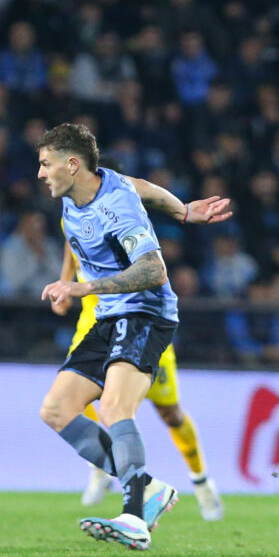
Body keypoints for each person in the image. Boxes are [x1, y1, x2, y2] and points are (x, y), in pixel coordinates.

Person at [37, 123, 230, 550]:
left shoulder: (114, 208)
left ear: (73, 165)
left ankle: (135, 515)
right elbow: (142, 186)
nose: (40, 173)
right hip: (110, 315)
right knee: (56, 410)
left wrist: (80, 287)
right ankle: (146, 489)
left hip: (146, 312)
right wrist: (182, 210)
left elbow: (153, 270)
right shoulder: (91, 189)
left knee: (114, 408)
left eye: (46, 164)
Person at [51, 193, 225, 522]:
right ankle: (105, 469)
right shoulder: (70, 211)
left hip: (134, 319)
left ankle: (200, 481)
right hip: (93, 321)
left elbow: (148, 267)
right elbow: (72, 247)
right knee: (71, 398)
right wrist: (65, 280)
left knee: (169, 413)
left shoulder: (120, 212)